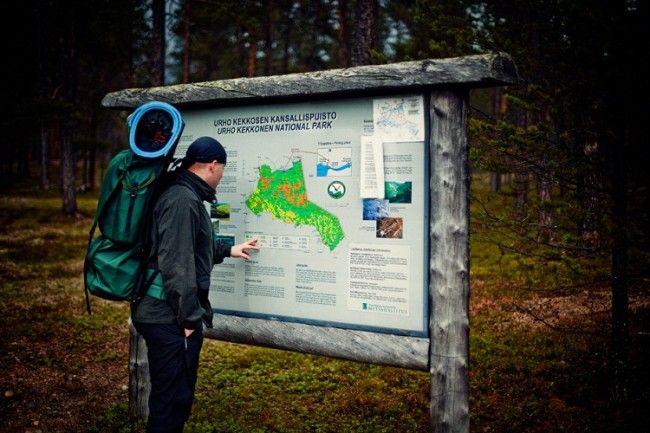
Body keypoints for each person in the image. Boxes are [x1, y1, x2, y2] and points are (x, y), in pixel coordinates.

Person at [131, 136, 259, 433]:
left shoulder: (184, 193)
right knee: (171, 400)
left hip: (165, 312)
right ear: (213, 165)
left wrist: (229, 249)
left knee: (175, 397)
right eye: (222, 170)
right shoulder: (181, 199)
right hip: (167, 315)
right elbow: (177, 263)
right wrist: (189, 320)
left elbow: (191, 245)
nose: (221, 176)